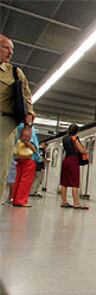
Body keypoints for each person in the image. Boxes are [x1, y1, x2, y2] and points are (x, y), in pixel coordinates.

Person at [0, 34, 34, 203]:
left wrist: (28, 126)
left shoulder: (15, 73)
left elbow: (27, 101)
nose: (10, 52)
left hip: (4, 125)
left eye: (12, 49)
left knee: (1, 171)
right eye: (6, 47)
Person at [60, 124, 88, 209]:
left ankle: (64, 202)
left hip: (66, 160)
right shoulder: (74, 138)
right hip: (73, 160)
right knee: (75, 182)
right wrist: (84, 149)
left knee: (64, 182)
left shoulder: (64, 139)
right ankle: (76, 203)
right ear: (76, 131)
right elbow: (81, 150)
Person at [12, 120, 39, 207]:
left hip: (20, 157)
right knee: (26, 180)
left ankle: (15, 199)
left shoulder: (19, 125)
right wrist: (35, 151)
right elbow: (26, 140)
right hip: (29, 158)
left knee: (19, 178)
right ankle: (21, 200)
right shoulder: (28, 126)